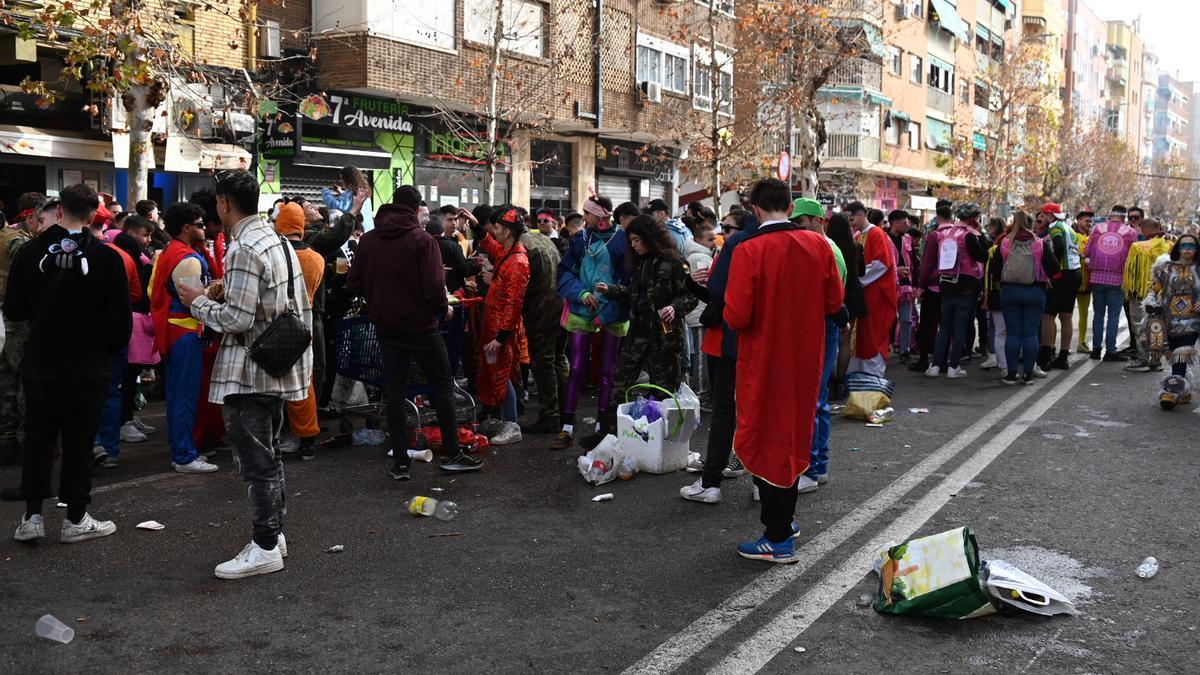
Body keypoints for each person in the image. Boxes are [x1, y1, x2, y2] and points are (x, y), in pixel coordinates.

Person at [177, 170, 313, 579]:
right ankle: (274, 535)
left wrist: (198, 301)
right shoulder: (274, 239)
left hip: (251, 369)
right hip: (277, 365)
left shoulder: (243, 247)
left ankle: (265, 545)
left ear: (223, 202)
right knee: (268, 456)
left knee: (256, 463)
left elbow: (237, 318)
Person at [723, 180, 844, 563]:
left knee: (764, 437)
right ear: (790, 207)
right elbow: (834, 301)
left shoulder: (749, 249)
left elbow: (737, 315)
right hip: (805, 357)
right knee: (793, 434)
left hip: (764, 358)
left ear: (756, 208)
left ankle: (778, 536)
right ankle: (783, 524)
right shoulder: (818, 245)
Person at [9, 183, 131, 544]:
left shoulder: (30, 252)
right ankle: (75, 517)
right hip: (87, 364)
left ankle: (32, 516)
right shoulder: (107, 258)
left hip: (41, 359)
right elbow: (120, 323)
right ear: (94, 214)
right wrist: (104, 350)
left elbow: (14, 309)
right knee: (79, 438)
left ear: (59, 210)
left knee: (38, 436)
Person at [346, 185, 483, 480]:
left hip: (385, 327)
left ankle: (401, 463)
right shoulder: (422, 241)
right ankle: (451, 453)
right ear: (416, 207)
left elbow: (353, 283)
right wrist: (441, 307)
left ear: (392, 204)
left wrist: (378, 293)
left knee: (394, 392)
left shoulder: (369, 240)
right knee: (443, 384)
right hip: (421, 327)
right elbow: (435, 288)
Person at [583, 215, 696, 449]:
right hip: (638, 333)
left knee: (664, 390)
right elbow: (636, 295)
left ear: (650, 239)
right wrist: (612, 290)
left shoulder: (674, 263)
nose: (633, 245)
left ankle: (663, 441)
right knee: (619, 382)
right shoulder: (639, 263)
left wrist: (674, 308)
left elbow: (691, 296)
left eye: (637, 240)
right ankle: (608, 433)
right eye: (631, 241)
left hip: (665, 338)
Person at [150, 203, 221, 474]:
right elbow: (195, 301)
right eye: (201, 225)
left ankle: (183, 450)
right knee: (185, 395)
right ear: (187, 227)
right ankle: (184, 455)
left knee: (180, 394)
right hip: (185, 331)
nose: (205, 229)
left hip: (176, 330)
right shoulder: (187, 258)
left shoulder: (171, 251)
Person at [554, 195, 628, 450]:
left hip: (612, 313)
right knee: (576, 369)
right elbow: (564, 272)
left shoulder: (622, 241)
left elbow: (628, 285)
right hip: (581, 309)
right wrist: (581, 294)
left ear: (602, 215)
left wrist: (608, 311)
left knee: (607, 372)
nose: (583, 218)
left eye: (588, 214)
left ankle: (602, 426)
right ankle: (567, 426)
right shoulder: (579, 240)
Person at [790, 199, 846, 494]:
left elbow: (832, 301)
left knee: (813, 400)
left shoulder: (828, 252)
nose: (796, 229)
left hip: (824, 327)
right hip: (822, 327)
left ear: (816, 220)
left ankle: (812, 468)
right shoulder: (821, 248)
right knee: (816, 399)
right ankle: (817, 466)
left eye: (800, 222)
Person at [468, 207, 531, 445]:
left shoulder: (517, 262)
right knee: (493, 373)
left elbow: (514, 304)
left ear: (506, 231)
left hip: (500, 330)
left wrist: (502, 336)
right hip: (493, 325)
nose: (493, 231)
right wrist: (476, 226)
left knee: (502, 374)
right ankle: (497, 418)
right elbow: (492, 247)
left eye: (496, 227)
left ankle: (512, 424)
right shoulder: (507, 252)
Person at [91, 211, 146, 469]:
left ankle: (89, 445)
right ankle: (110, 450)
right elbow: (135, 294)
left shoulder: (66, 254)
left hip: (85, 337)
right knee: (112, 391)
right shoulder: (122, 257)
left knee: (84, 394)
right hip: (116, 334)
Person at [274, 203, 326, 461]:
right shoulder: (316, 258)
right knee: (304, 381)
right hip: (306, 323)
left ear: (280, 225)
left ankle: (279, 433)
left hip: (276, 324)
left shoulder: (274, 254)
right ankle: (307, 439)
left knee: (275, 379)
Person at [989, 211, 1060, 385]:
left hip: (1010, 293)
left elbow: (994, 271)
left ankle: (1011, 374)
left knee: (1013, 334)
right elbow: (1055, 270)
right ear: (1030, 224)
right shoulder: (1039, 244)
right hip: (1035, 292)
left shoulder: (1005, 243)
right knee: (1029, 335)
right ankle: (1028, 374)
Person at [0, 192, 42, 466]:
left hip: (13, 319)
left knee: (11, 384)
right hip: (13, 322)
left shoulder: (18, 237)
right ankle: (17, 444)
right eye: (42, 218)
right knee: (17, 383)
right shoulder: (14, 239)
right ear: (30, 216)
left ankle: (9, 444)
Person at [923, 203, 988, 379]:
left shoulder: (945, 234)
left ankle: (935, 365)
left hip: (946, 285)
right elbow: (983, 255)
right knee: (959, 327)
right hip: (966, 287)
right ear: (974, 218)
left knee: (943, 327)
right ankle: (953, 367)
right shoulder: (969, 236)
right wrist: (980, 234)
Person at [1144, 234, 1200, 409]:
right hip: (1168, 319)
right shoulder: (1165, 268)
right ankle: (1184, 389)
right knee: (1171, 354)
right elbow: (1154, 289)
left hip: (1192, 320)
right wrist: (1151, 301)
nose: (1188, 249)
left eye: (1192, 245)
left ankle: (1171, 391)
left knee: (1182, 353)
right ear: (1178, 248)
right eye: (1184, 246)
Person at [847, 201, 898, 377]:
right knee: (861, 333)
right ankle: (859, 370)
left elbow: (882, 263)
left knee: (873, 332)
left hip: (876, 293)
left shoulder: (877, 234)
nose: (851, 223)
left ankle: (873, 373)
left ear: (862, 214)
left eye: (852, 218)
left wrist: (859, 279)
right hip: (864, 294)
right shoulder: (857, 236)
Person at [1085, 206, 1138, 361]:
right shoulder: (1130, 232)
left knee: (1098, 315)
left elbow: (1087, 251)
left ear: (1110, 215)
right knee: (1114, 316)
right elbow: (1134, 257)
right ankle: (1110, 351)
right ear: (1124, 217)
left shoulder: (1097, 229)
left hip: (1097, 277)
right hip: (1118, 278)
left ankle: (1095, 350)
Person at [1123, 218, 1173, 372]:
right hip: (1163, 294)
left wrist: (1131, 291)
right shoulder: (1171, 246)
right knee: (1158, 327)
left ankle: (1143, 359)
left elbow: (1133, 273)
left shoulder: (1138, 247)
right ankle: (1156, 361)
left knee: (1140, 326)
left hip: (1141, 294)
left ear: (1143, 230)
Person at [826, 213, 867, 401]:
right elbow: (863, 271)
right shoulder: (856, 247)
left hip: (835, 294)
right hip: (852, 294)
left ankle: (828, 377)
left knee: (828, 339)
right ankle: (841, 381)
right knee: (845, 340)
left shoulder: (827, 247)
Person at [1038, 203, 1084, 371]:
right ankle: (1062, 357)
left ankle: (1045, 358)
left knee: (1048, 316)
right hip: (1075, 273)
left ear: (1050, 215)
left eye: (1043, 215)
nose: (1041, 218)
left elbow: (1058, 247)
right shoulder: (1069, 228)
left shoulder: (1055, 227)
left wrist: (1053, 267)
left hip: (1063, 274)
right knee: (1066, 316)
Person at [684, 221, 716, 401]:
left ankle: (701, 391)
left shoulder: (695, 256)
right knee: (702, 356)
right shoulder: (701, 259)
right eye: (710, 239)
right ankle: (702, 393)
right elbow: (708, 285)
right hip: (700, 313)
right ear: (698, 240)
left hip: (697, 313)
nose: (714, 242)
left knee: (700, 353)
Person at [888, 209, 918, 364]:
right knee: (886, 319)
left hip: (906, 285)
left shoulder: (908, 239)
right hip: (887, 286)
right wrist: (895, 270)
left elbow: (914, 262)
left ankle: (905, 350)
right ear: (895, 222)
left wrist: (917, 285)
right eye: (904, 222)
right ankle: (883, 348)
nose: (907, 225)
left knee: (906, 319)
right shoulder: (883, 239)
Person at [1073, 209, 1094, 354]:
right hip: (1072, 279)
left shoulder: (1093, 238)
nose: (1089, 223)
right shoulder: (1072, 235)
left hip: (1086, 282)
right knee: (1064, 314)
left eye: (1090, 221)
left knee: (1084, 313)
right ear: (1079, 221)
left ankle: (1081, 342)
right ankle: (1060, 345)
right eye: (1087, 220)